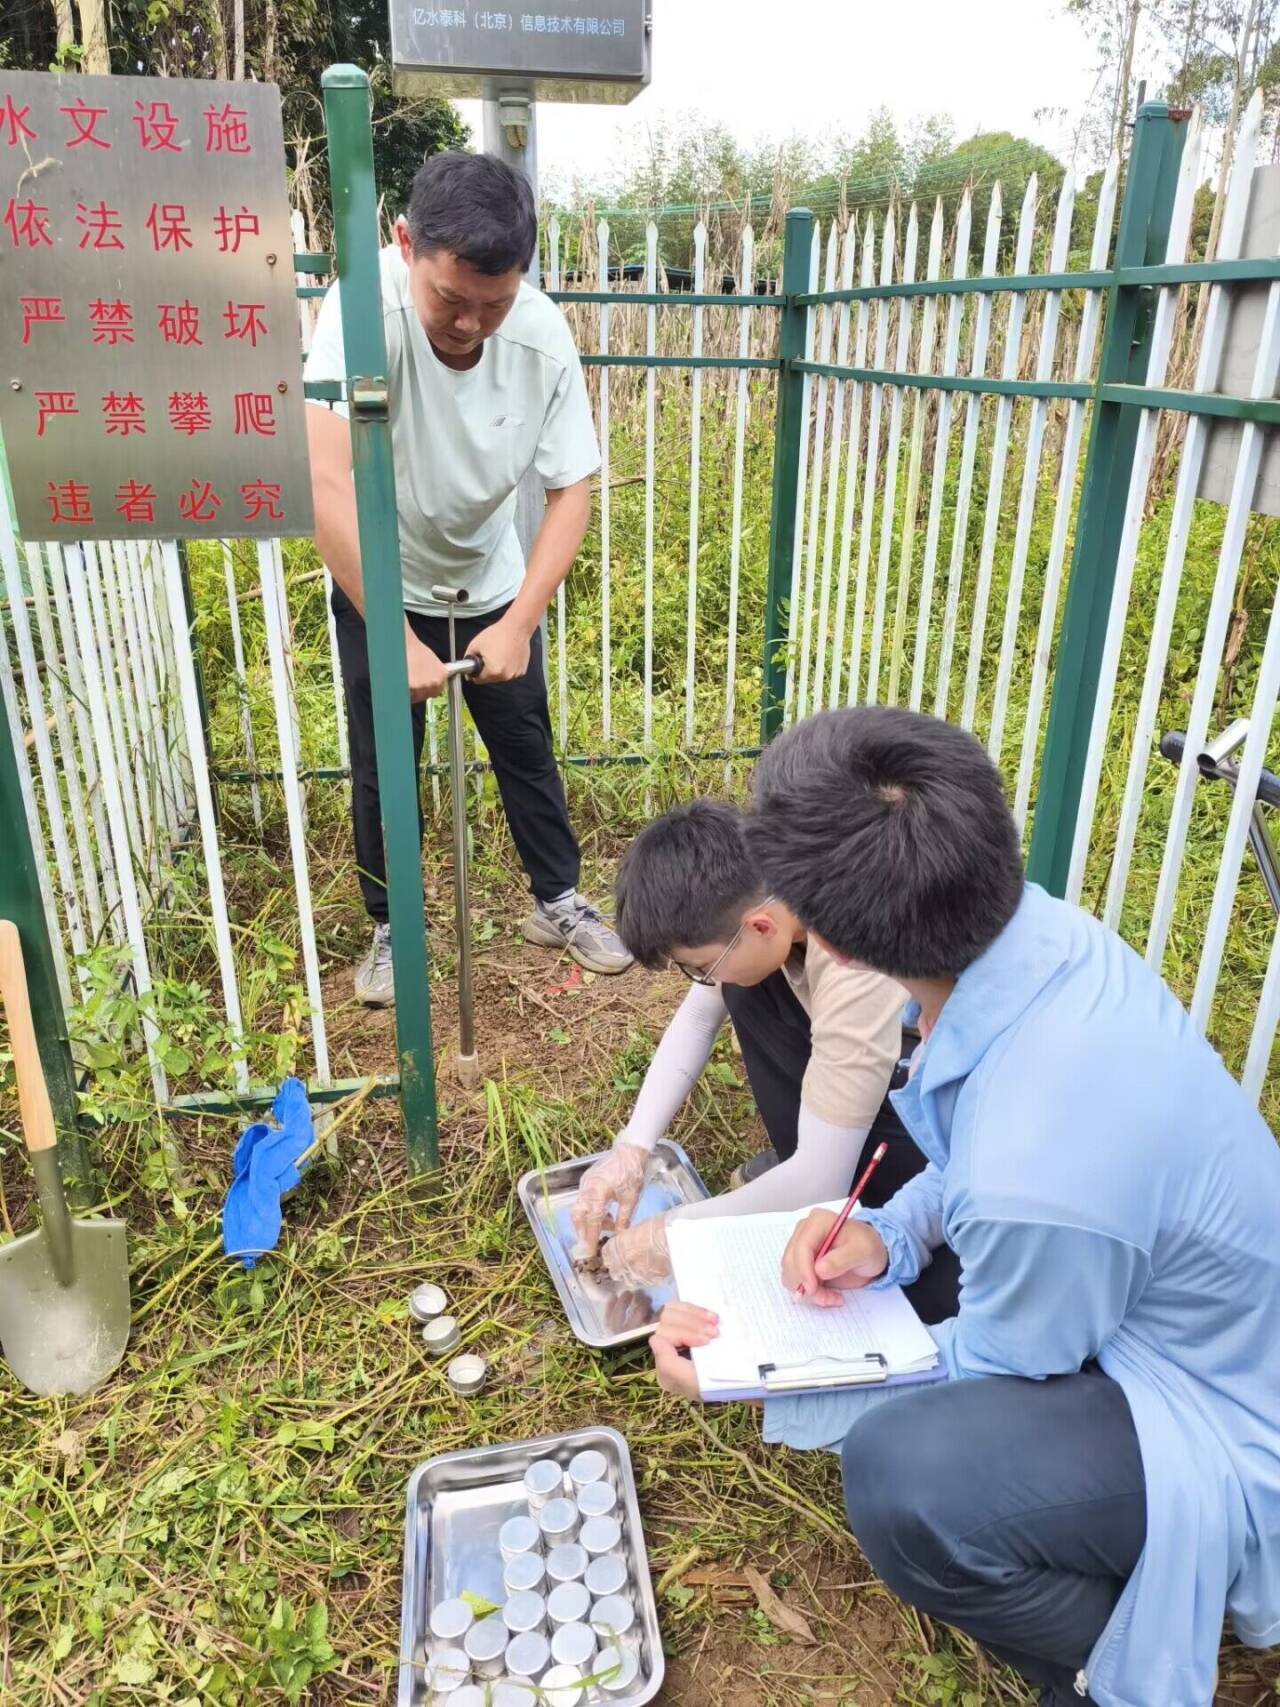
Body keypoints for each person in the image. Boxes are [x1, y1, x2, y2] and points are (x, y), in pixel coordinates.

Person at [652, 707, 1280, 1707]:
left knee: (912, 1478)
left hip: (1220, 1418)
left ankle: (1097, 1665)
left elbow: (995, 1369)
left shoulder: (1034, 1176)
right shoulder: (1039, 939)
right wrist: (887, 1235)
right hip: (1186, 1311)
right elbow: (980, 1151)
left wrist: (749, 1378)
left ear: (840, 950)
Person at [304, 150, 632, 1005]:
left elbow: (570, 490)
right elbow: (322, 477)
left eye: (494, 303)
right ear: (406, 241)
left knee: (525, 744)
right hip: (380, 565)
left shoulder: (540, 335)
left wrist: (520, 620)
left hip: (488, 573)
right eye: (450, 299)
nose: (469, 325)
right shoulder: (360, 309)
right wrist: (391, 630)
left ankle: (556, 898)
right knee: (385, 756)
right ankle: (390, 926)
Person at [571, 799, 958, 1323]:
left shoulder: (852, 961)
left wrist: (669, 1235)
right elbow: (698, 1018)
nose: (702, 980)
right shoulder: (774, 884)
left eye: (698, 965)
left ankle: (858, 1200)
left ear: (759, 925)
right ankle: (800, 1163)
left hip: (933, 1105)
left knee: (925, 1292)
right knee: (740, 986)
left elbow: (821, 1180)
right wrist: (632, 1148)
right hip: (867, 1055)